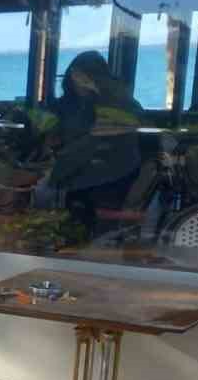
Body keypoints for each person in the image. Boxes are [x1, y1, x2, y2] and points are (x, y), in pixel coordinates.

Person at [39, 51, 145, 239]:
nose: (79, 82)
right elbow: (52, 127)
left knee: (91, 228)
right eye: (75, 76)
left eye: (84, 77)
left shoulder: (115, 101)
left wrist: (57, 171)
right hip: (75, 169)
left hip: (107, 174)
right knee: (69, 220)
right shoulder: (68, 103)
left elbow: (101, 138)